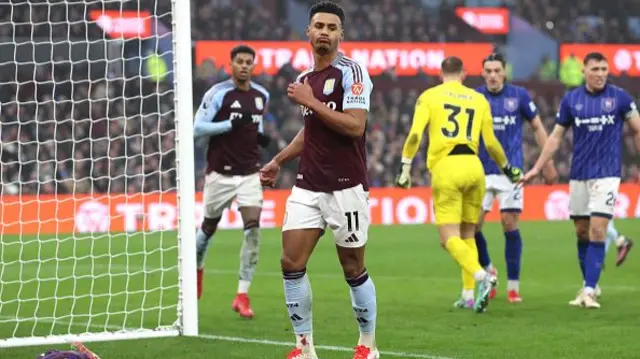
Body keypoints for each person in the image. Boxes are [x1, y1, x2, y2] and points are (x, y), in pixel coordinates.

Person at [259, 2, 378, 358]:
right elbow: (311, 131)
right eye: (319, 26)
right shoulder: (303, 80)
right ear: (308, 32)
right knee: (290, 263)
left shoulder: (352, 72)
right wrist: (278, 160)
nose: (324, 32)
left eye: (331, 27)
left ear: (341, 34)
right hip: (308, 184)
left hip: (346, 186)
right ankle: (304, 347)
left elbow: (355, 126)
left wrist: (313, 101)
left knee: (353, 268)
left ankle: (367, 345)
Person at [395, 56, 522, 313]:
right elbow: (492, 143)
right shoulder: (479, 99)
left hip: (447, 167)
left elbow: (416, 134)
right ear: (464, 74)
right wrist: (508, 168)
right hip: (475, 168)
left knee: (448, 237)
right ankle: (468, 296)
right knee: (468, 233)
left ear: (441, 73)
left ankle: (482, 276)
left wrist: (405, 167)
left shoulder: (430, 96)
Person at [521, 52, 640, 309]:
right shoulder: (572, 100)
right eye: (595, 69)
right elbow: (555, 137)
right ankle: (589, 283)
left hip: (607, 174)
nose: (600, 74)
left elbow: (637, 128)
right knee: (582, 231)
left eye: (604, 69)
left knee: (598, 229)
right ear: (584, 71)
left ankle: (589, 291)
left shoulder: (620, 97)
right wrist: (537, 168)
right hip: (579, 175)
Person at [471, 53, 558, 305]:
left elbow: (538, 128)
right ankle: (489, 269)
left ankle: (513, 287)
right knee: (473, 226)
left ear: (504, 72)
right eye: (488, 71)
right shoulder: (475, 98)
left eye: (497, 70)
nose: (493, 75)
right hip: (481, 171)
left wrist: (548, 162)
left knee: (510, 224)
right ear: (482, 72)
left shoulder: (519, 96)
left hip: (512, 172)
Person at [193, 45, 272, 319]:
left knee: (253, 230)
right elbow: (197, 129)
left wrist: (261, 136)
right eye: (239, 61)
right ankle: (197, 269)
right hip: (220, 174)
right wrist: (230, 125)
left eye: (249, 62)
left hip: (249, 173)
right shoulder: (218, 94)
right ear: (231, 64)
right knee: (207, 230)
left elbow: (256, 123)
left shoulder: (262, 95)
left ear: (253, 65)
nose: (244, 66)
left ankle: (242, 295)